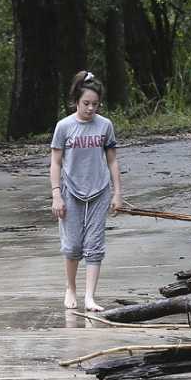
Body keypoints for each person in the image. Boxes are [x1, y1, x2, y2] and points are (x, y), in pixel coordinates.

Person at [50, 72, 124, 311]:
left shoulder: (105, 126)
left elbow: (112, 160)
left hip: (99, 191)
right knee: (72, 246)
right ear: (76, 101)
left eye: (95, 104)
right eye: (86, 103)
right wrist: (56, 194)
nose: (91, 108)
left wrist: (117, 192)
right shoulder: (64, 127)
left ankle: (90, 296)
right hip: (71, 191)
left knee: (94, 245)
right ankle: (71, 288)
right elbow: (56, 163)